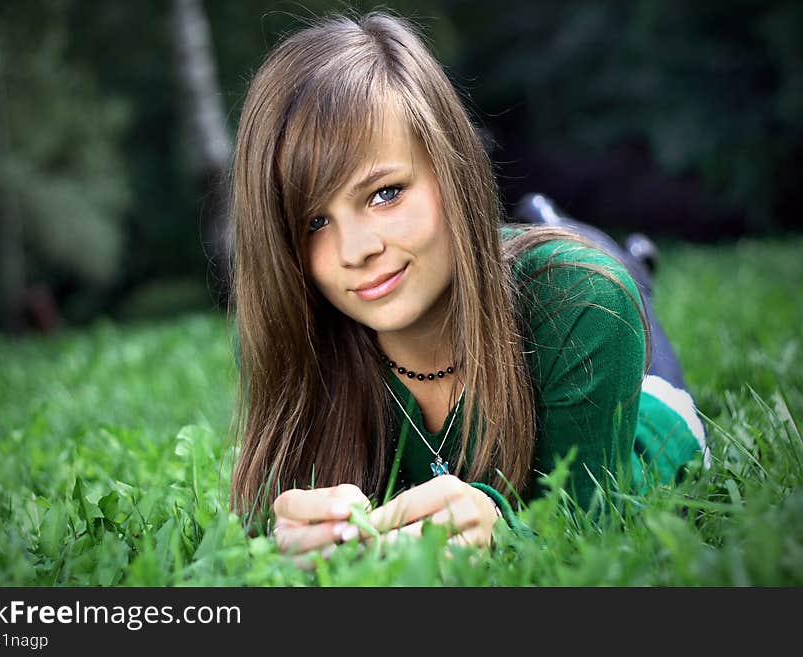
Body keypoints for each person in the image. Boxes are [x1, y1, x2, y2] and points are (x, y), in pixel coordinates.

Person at [228, 11, 708, 555]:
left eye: (384, 193)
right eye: (315, 222)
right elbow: (261, 518)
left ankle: (619, 255)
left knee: (602, 272)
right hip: (496, 262)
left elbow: (592, 526)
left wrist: (504, 531)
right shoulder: (295, 335)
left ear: (449, 167)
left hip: (646, 406)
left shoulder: (586, 305)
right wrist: (289, 532)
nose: (356, 250)